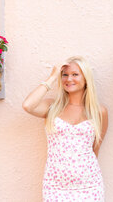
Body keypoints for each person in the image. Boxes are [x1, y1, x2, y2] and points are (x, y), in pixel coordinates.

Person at [22, 56, 108, 201]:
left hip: (89, 186)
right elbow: (28, 106)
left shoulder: (99, 111)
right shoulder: (52, 107)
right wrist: (52, 76)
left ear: (86, 78)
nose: (69, 79)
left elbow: (95, 149)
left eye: (75, 74)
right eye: (65, 75)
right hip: (55, 187)